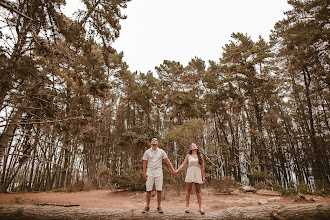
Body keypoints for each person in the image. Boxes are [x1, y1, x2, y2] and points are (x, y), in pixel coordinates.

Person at [142, 137, 176, 213]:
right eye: (153, 140)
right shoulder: (147, 152)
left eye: (156, 140)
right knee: (148, 190)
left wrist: (172, 169)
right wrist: (144, 173)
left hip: (158, 172)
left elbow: (167, 161)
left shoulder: (161, 152)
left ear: (157, 142)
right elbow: (144, 163)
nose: (154, 141)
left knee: (159, 189)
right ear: (151, 142)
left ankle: (159, 206)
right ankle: (147, 206)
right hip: (149, 172)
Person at [175, 143, 206, 214]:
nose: (194, 146)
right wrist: (176, 170)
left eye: (195, 145)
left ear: (197, 147)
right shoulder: (188, 156)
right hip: (190, 172)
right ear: (191, 148)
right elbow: (183, 164)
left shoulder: (200, 156)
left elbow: (202, 167)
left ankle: (200, 207)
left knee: (198, 191)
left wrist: (203, 177)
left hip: (197, 173)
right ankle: (187, 206)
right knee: (188, 190)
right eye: (192, 145)